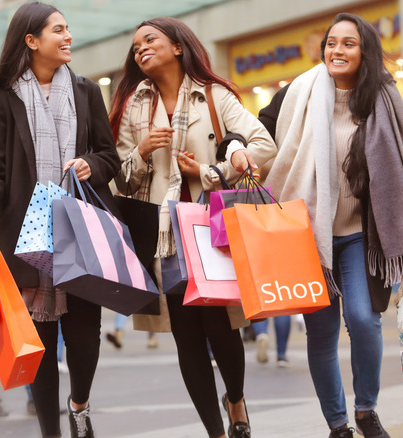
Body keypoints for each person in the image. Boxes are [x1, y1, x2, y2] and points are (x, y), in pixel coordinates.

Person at [258, 13, 403, 438]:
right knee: (320, 331)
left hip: (361, 235)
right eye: (331, 42)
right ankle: (337, 424)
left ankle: (366, 410)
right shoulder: (296, 93)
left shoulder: (383, 99)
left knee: (363, 317)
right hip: (306, 235)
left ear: (365, 52)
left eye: (348, 44)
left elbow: (398, 176)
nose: (336, 51)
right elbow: (258, 135)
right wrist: (233, 150)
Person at [110, 17, 277, 438]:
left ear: (178, 47)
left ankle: (235, 401)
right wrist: (145, 152)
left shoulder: (213, 95)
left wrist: (211, 172)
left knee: (221, 329)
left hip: (211, 228)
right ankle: (216, 432)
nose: (141, 49)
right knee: (186, 338)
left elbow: (263, 146)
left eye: (150, 40)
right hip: (162, 235)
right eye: (135, 46)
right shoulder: (134, 105)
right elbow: (120, 180)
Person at [0, 3, 120, 437]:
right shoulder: (2, 98)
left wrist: (91, 165)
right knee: (43, 346)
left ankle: (79, 404)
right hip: (28, 238)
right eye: (58, 30)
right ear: (31, 41)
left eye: (68, 29)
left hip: (80, 229)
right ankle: (51, 431)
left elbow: (109, 156)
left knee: (86, 338)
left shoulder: (86, 91)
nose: (68, 37)